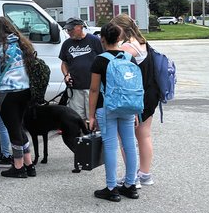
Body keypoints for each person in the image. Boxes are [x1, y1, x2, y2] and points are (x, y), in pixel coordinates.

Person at [88, 22, 139, 202]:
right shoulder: (129, 58)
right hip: (128, 106)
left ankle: (111, 188)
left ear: (102, 39)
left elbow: (94, 90)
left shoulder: (99, 60)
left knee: (110, 146)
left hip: (107, 107)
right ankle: (130, 185)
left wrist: (91, 115)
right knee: (130, 144)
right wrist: (136, 113)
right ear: (119, 39)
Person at [0, 16, 35, 178]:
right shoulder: (23, 44)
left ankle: (18, 168)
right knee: (19, 126)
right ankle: (29, 164)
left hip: (7, 93)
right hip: (25, 90)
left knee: (13, 129)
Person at [112, 13, 159, 187]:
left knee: (126, 137)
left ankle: (132, 177)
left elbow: (121, 75)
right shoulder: (143, 43)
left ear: (121, 29)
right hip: (151, 95)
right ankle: (145, 174)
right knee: (144, 136)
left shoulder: (126, 48)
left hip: (134, 98)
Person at [58, 18, 103, 123]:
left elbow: (103, 60)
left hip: (92, 88)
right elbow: (64, 63)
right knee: (77, 118)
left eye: (71, 29)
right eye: (68, 30)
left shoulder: (94, 40)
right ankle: (81, 139)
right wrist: (66, 75)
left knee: (93, 118)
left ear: (80, 27)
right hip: (75, 88)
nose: (69, 32)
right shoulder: (67, 44)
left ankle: (94, 138)